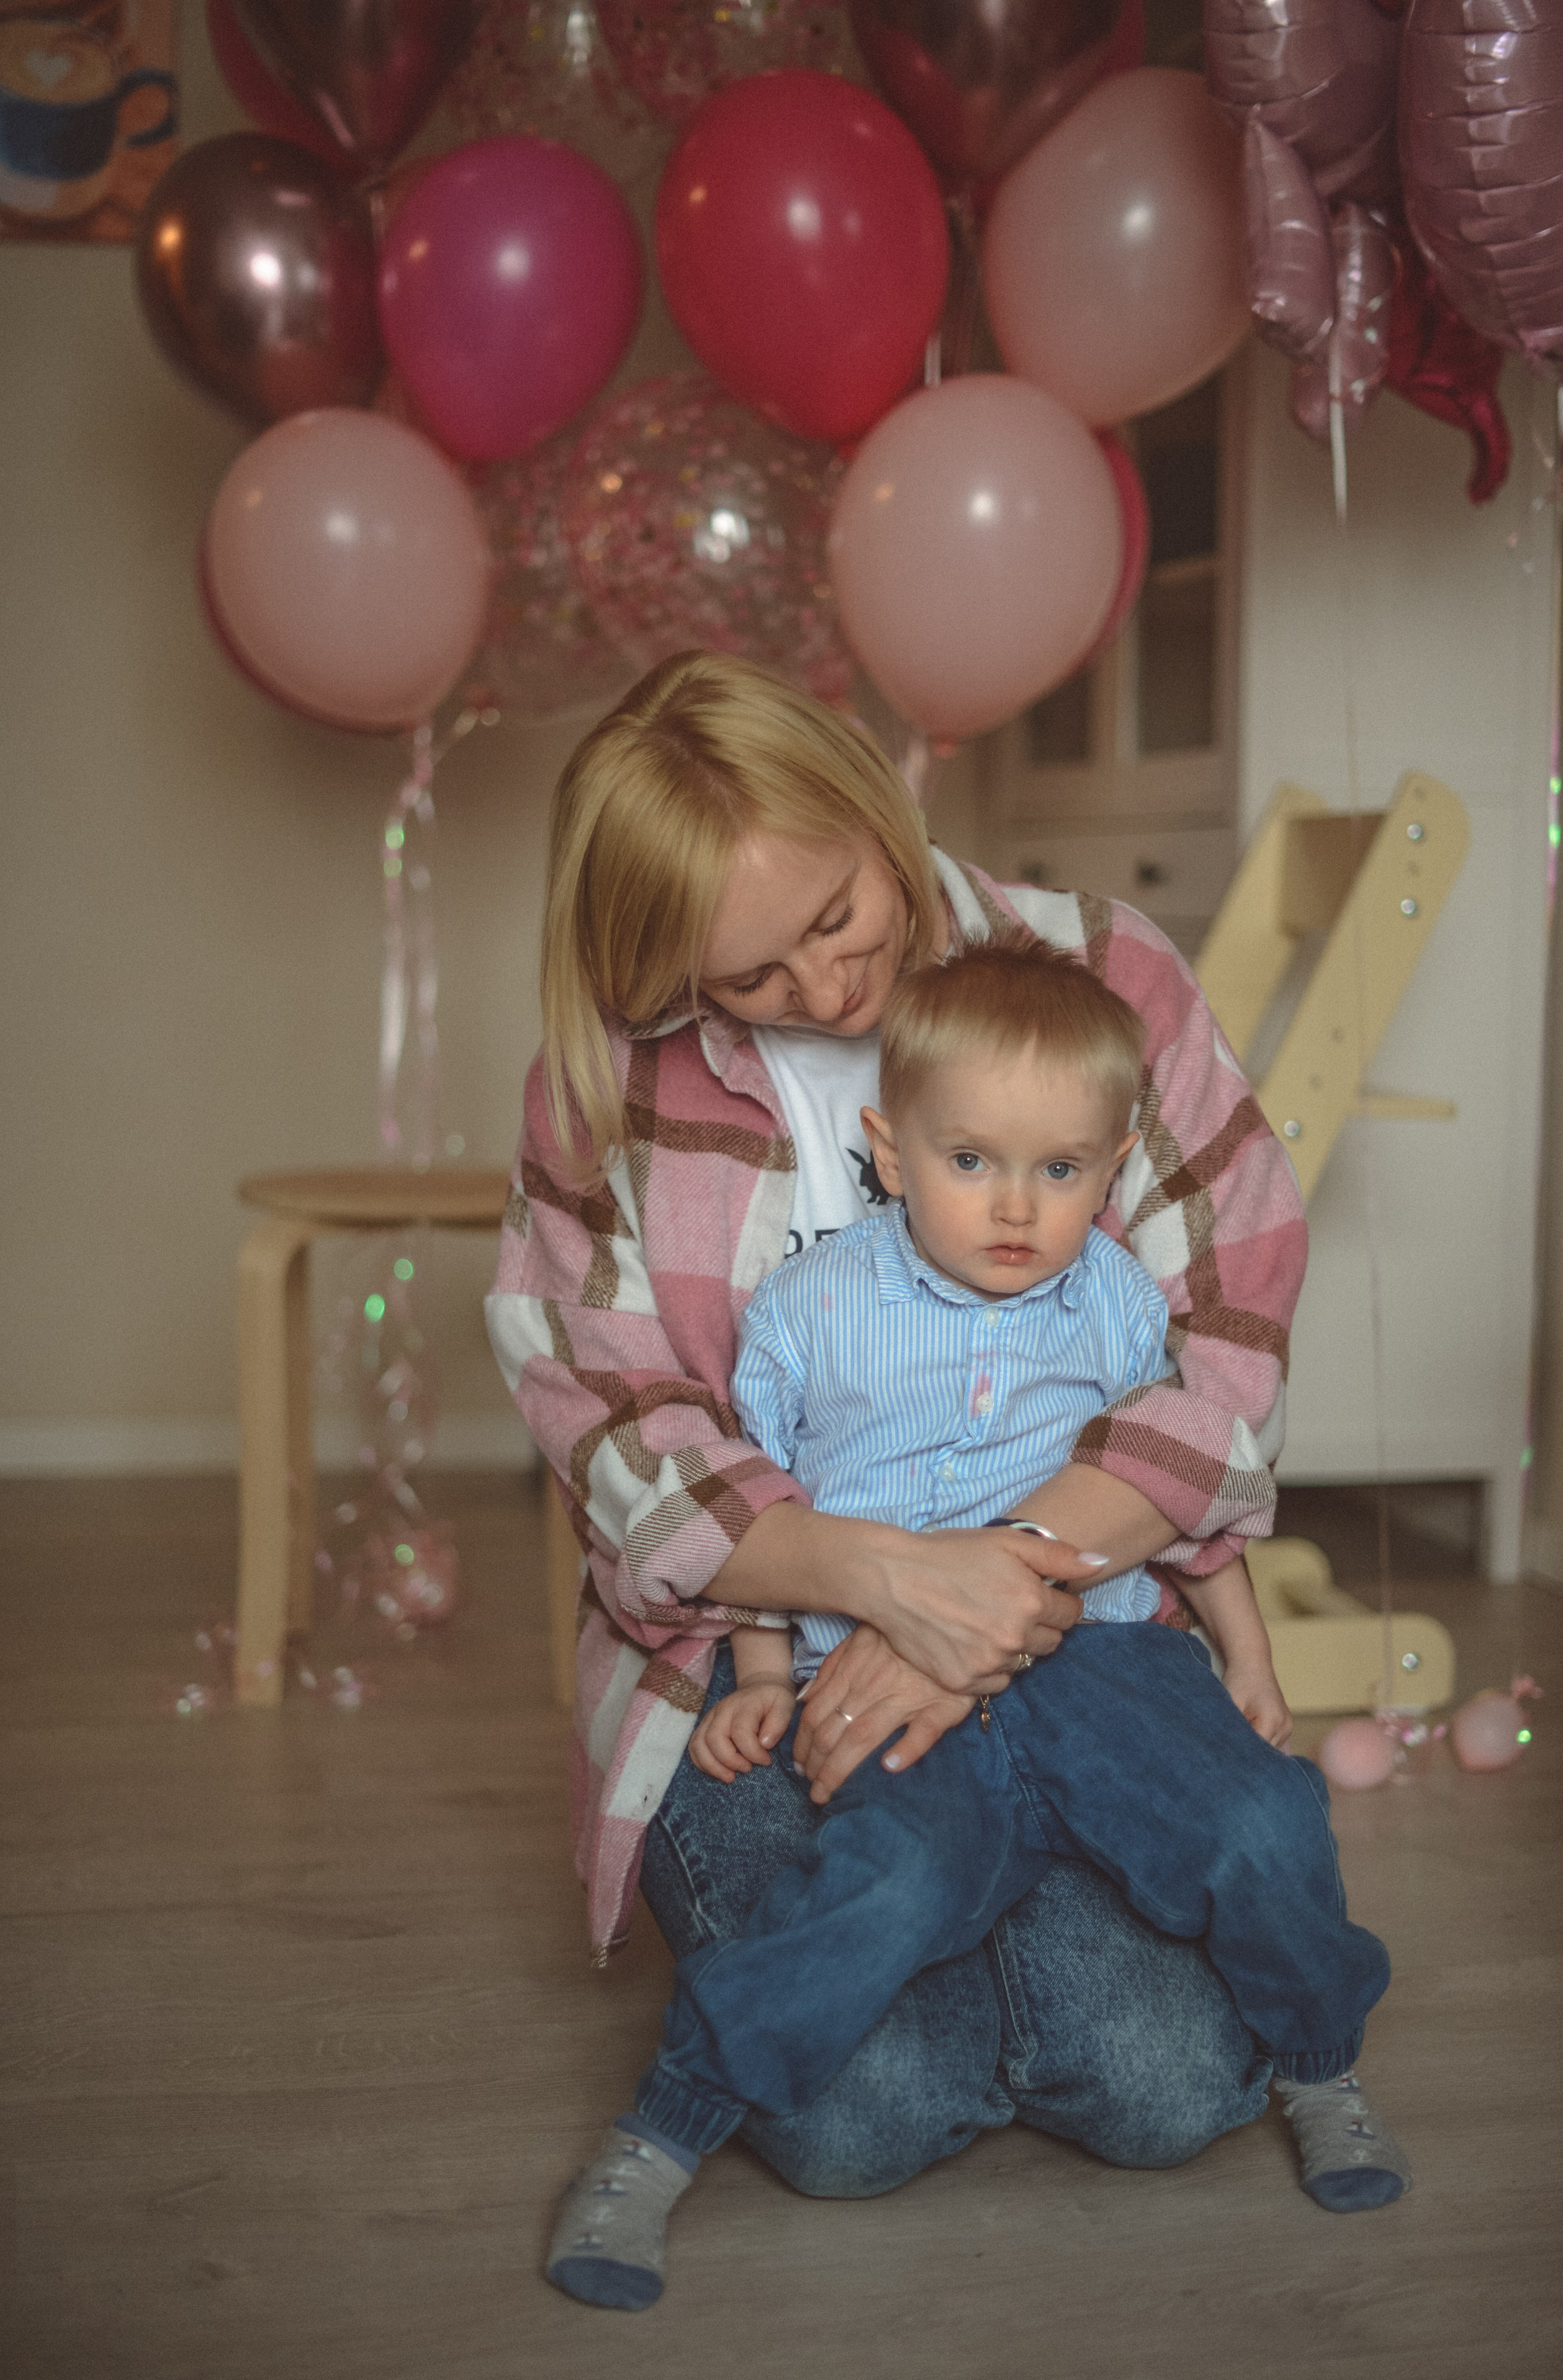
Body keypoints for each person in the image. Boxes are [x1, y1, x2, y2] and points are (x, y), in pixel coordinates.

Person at [487, 650, 1307, 2214]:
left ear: (871, 807)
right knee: (861, 2114)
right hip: (752, 1656)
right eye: (750, 979)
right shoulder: (602, 1080)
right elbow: (609, 1412)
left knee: (1166, 2086)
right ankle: (938, 1962)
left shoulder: (1097, 969)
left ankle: (992, 1939)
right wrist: (869, 1580)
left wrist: (998, 1580)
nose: (823, 990)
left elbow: (1227, 1313)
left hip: (1072, 1634)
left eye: (833, 919)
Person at [544, 945, 1407, 2310]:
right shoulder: (809, 1310)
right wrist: (759, 1674)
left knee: (1263, 1819)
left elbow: (1172, 1489)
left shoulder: (1117, 1297)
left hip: (1100, 1660)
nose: (1014, 1205)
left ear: (1111, 1166)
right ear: (888, 1150)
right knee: (888, 1886)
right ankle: (666, 2126)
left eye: (1060, 1172)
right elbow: (764, 1493)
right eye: (971, 1162)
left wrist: (1241, 1649)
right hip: (883, 1682)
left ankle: (1318, 2059)